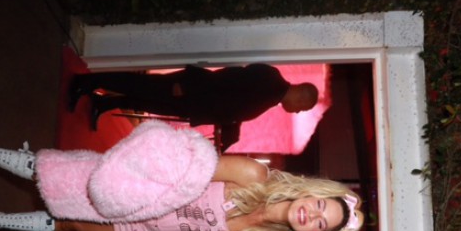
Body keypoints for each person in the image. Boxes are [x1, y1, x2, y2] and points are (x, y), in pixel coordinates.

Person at [0, 121, 364, 231]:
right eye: (320, 206)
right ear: (313, 191)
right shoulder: (253, 176)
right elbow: (180, 161)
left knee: (70, 226)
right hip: (132, 193)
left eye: (319, 223)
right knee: (47, 173)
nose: (312, 215)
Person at [69, 64, 319, 140]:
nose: (298, 112)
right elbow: (228, 79)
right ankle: (88, 81)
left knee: (145, 99)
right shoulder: (270, 82)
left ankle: (103, 103)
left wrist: (232, 134)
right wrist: (189, 87)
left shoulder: (272, 93)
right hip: (192, 91)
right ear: (301, 95)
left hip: (194, 102)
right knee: (140, 86)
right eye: (303, 108)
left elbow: (235, 107)